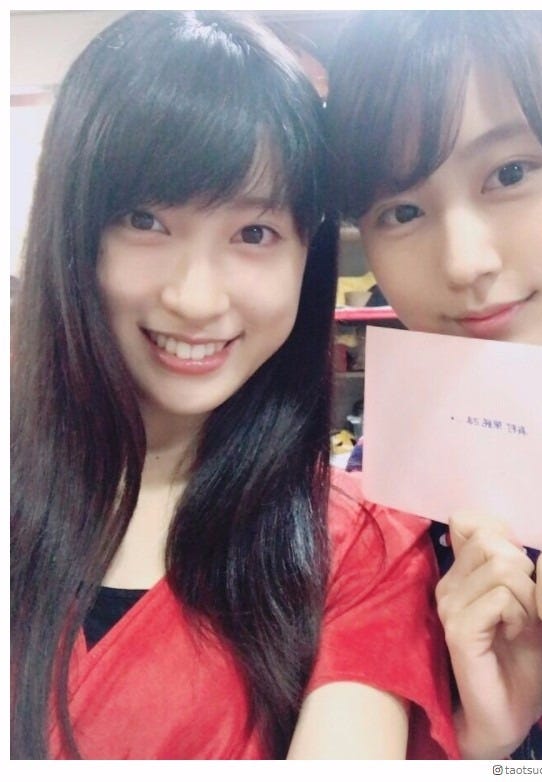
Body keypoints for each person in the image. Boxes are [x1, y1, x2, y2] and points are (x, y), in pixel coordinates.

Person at [10, 10, 459, 760]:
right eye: (145, 219)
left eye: (254, 233)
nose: (195, 298)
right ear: (72, 228)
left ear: (309, 258)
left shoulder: (357, 549)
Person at [326, 10, 542, 760]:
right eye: (402, 211)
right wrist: (479, 742)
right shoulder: (387, 476)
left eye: (511, 173)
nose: (463, 262)